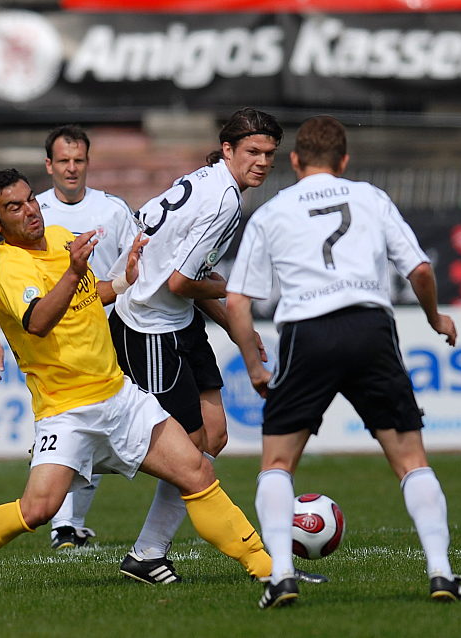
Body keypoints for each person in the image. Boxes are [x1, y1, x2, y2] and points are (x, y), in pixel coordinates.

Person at [0, 168, 274, 595]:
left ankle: (269, 571)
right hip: (66, 413)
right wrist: (73, 272)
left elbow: (90, 297)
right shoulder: (10, 269)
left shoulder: (59, 238)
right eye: (14, 207)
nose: (29, 210)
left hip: (118, 398)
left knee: (197, 471)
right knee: (37, 510)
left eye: (29, 199)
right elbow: (39, 321)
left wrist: (125, 279)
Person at [225, 115, 461, 608]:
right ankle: (442, 573)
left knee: (277, 463)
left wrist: (254, 366)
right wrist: (434, 317)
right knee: (410, 460)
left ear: (295, 160)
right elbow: (421, 270)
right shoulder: (370, 197)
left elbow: (236, 302)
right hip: (369, 327)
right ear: (344, 160)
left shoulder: (272, 211)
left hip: (307, 334)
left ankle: (281, 577)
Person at [107, 107, 323, 587]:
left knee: (214, 437)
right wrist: (233, 289)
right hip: (149, 328)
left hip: (178, 321)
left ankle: (146, 553)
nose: (262, 162)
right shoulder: (224, 201)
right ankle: (90, 461)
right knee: (188, 453)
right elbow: (182, 281)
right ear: (228, 149)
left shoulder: (209, 182)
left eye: (269, 153)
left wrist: (231, 322)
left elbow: (184, 276)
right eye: (252, 151)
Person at [0, 125, 136, 550]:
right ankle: (65, 521)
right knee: (83, 422)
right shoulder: (34, 214)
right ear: (49, 165)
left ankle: (71, 517)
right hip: (56, 340)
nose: (71, 168)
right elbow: (6, 291)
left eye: (78, 160)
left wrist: (129, 283)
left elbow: (131, 265)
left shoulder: (113, 210)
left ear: (88, 163)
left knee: (106, 424)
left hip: (111, 327)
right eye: (63, 160)